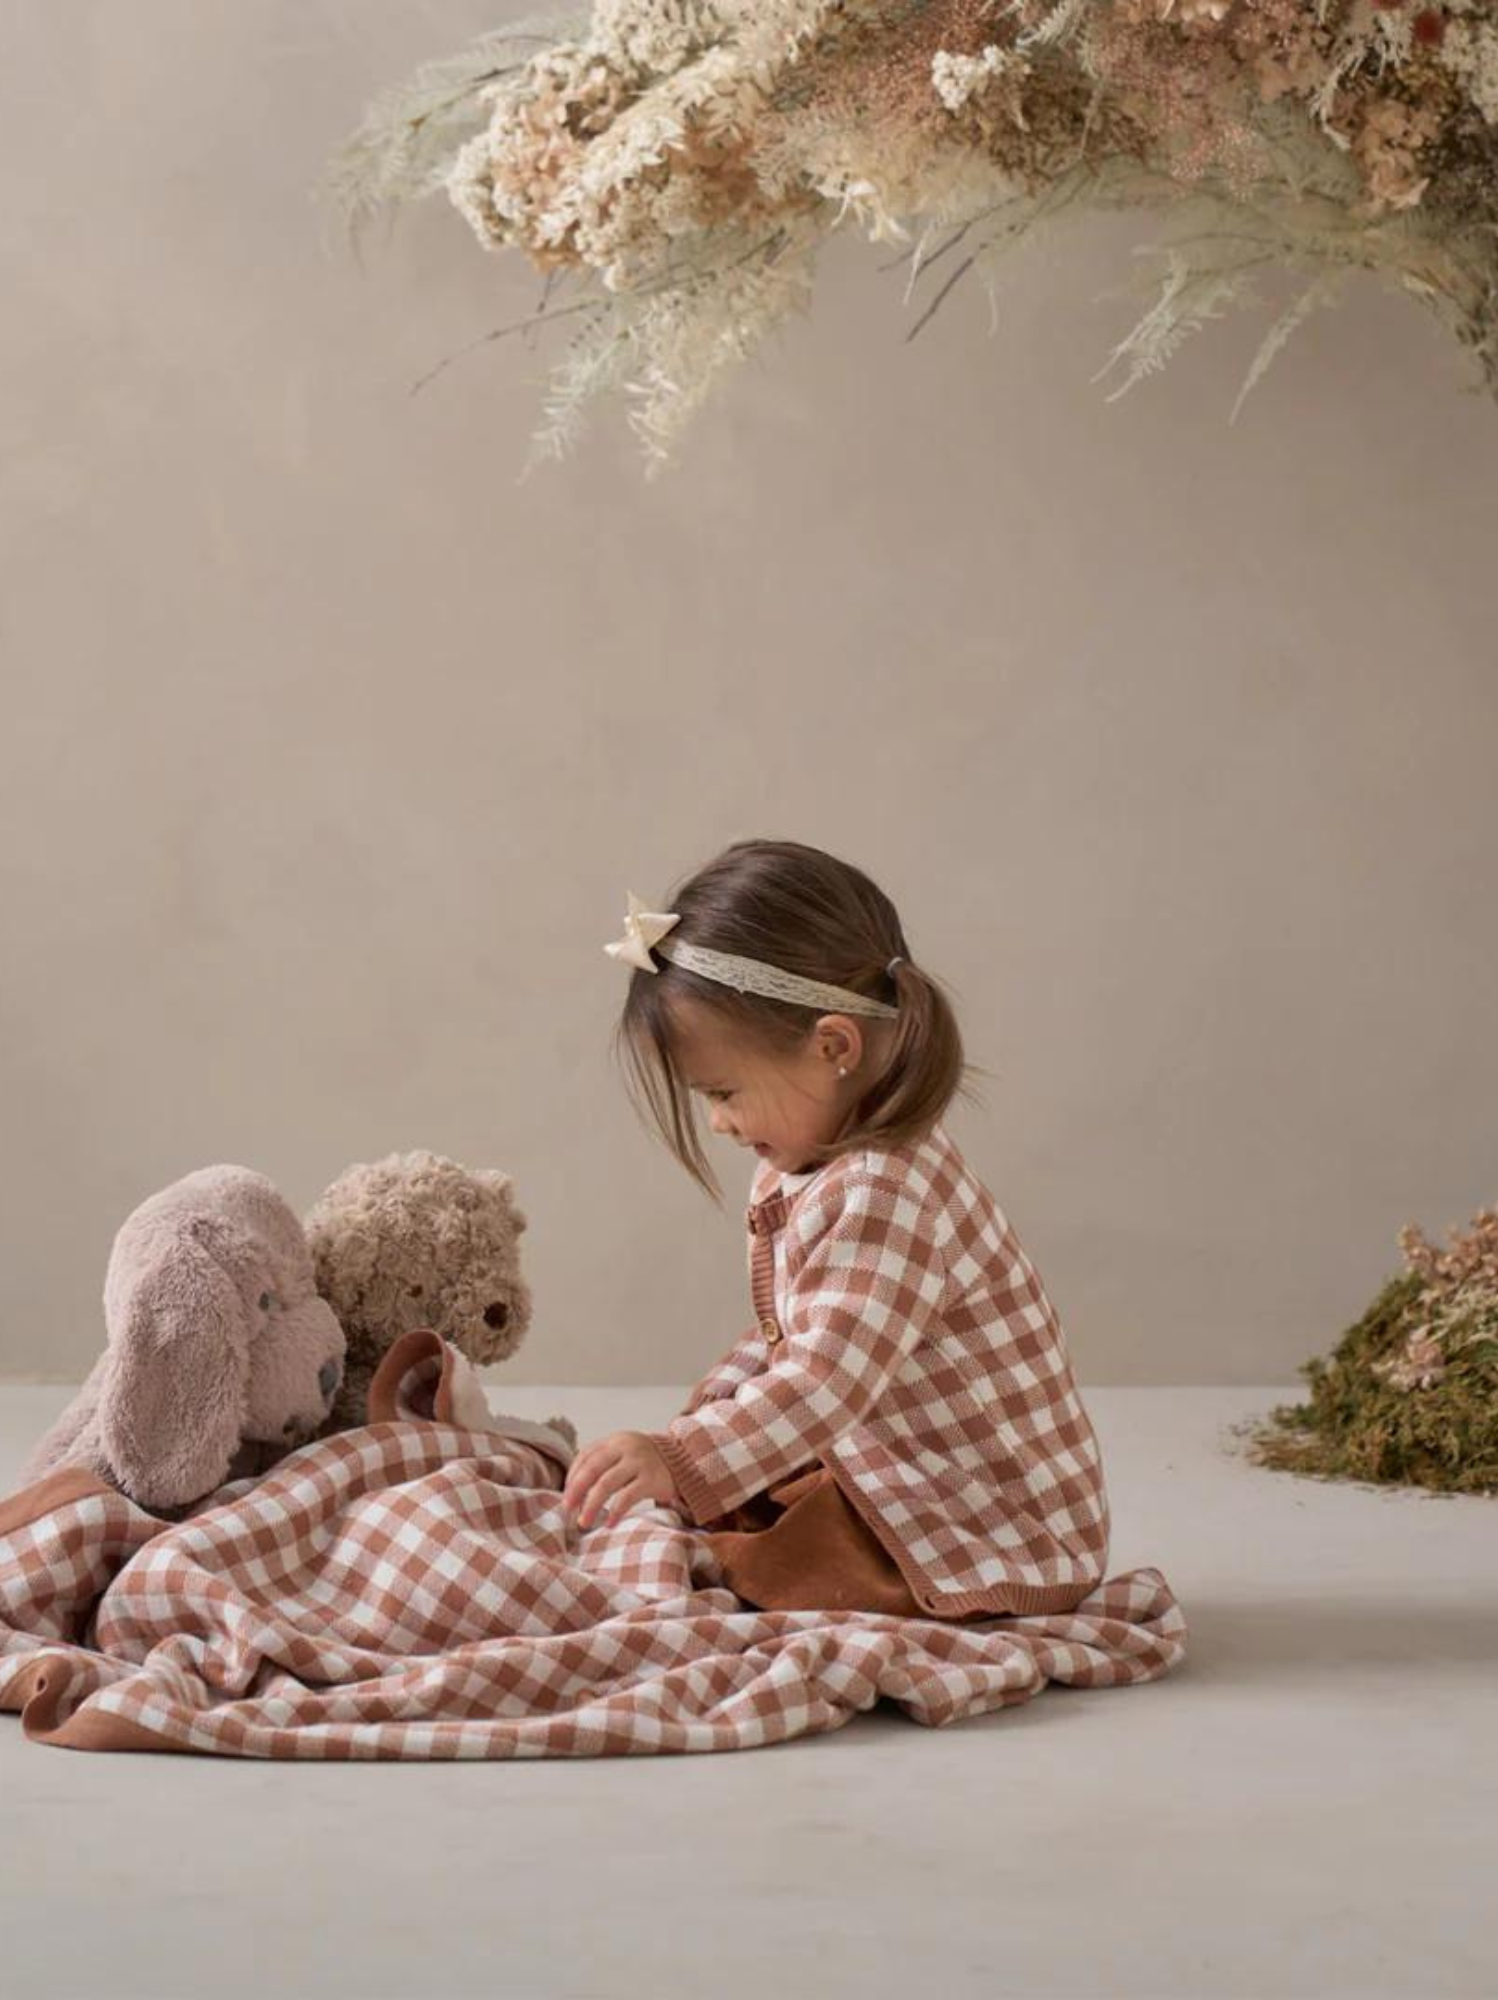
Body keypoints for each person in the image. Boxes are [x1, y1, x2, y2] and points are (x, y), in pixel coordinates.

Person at [561, 837, 1111, 1622]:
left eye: (723, 1092)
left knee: (748, 1565)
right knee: (738, 1495)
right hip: (902, 1464)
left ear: (833, 1047)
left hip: (988, 1525)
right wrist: (697, 1427)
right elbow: (794, 1334)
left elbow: (823, 1382)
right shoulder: (816, 1155)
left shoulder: (884, 1194)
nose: (717, 1123)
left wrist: (683, 1459)